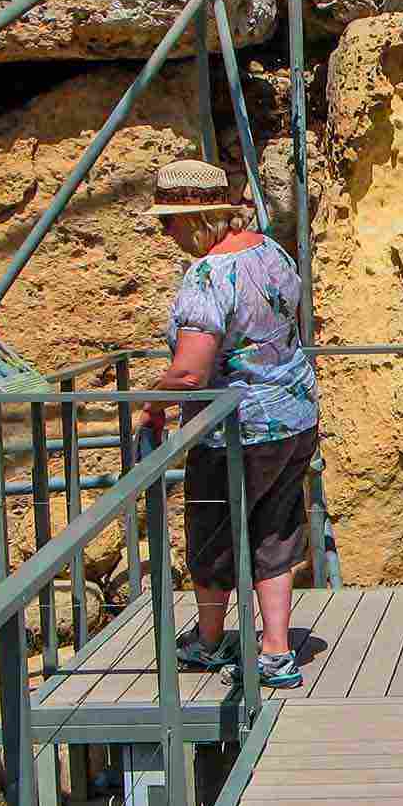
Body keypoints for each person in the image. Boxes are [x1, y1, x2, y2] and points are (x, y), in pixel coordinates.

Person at [139, 159, 320, 689]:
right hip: (294, 414)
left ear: (195, 218)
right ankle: (276, 649)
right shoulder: (271, 251)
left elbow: (192, 370)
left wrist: (151, 402)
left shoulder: (207, 276)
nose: (164, 232)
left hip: (235, 431)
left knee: (213, 532)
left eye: (167, 221)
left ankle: (211, 639)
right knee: (276, 528)